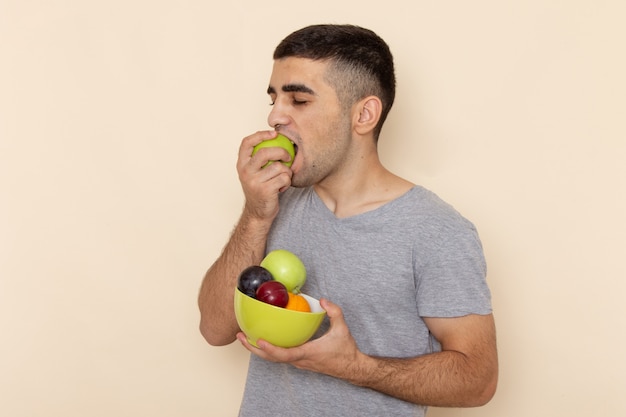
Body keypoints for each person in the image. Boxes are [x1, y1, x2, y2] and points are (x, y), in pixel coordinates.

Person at [198, 24, 498, 416]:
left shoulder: (435, 230)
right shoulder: (274, 203)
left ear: (364, 115)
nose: (274, 117)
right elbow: (214, 329)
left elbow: (478, 380)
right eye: (274, 99)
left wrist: (354, 367)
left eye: (299, 101)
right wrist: (256, 215)